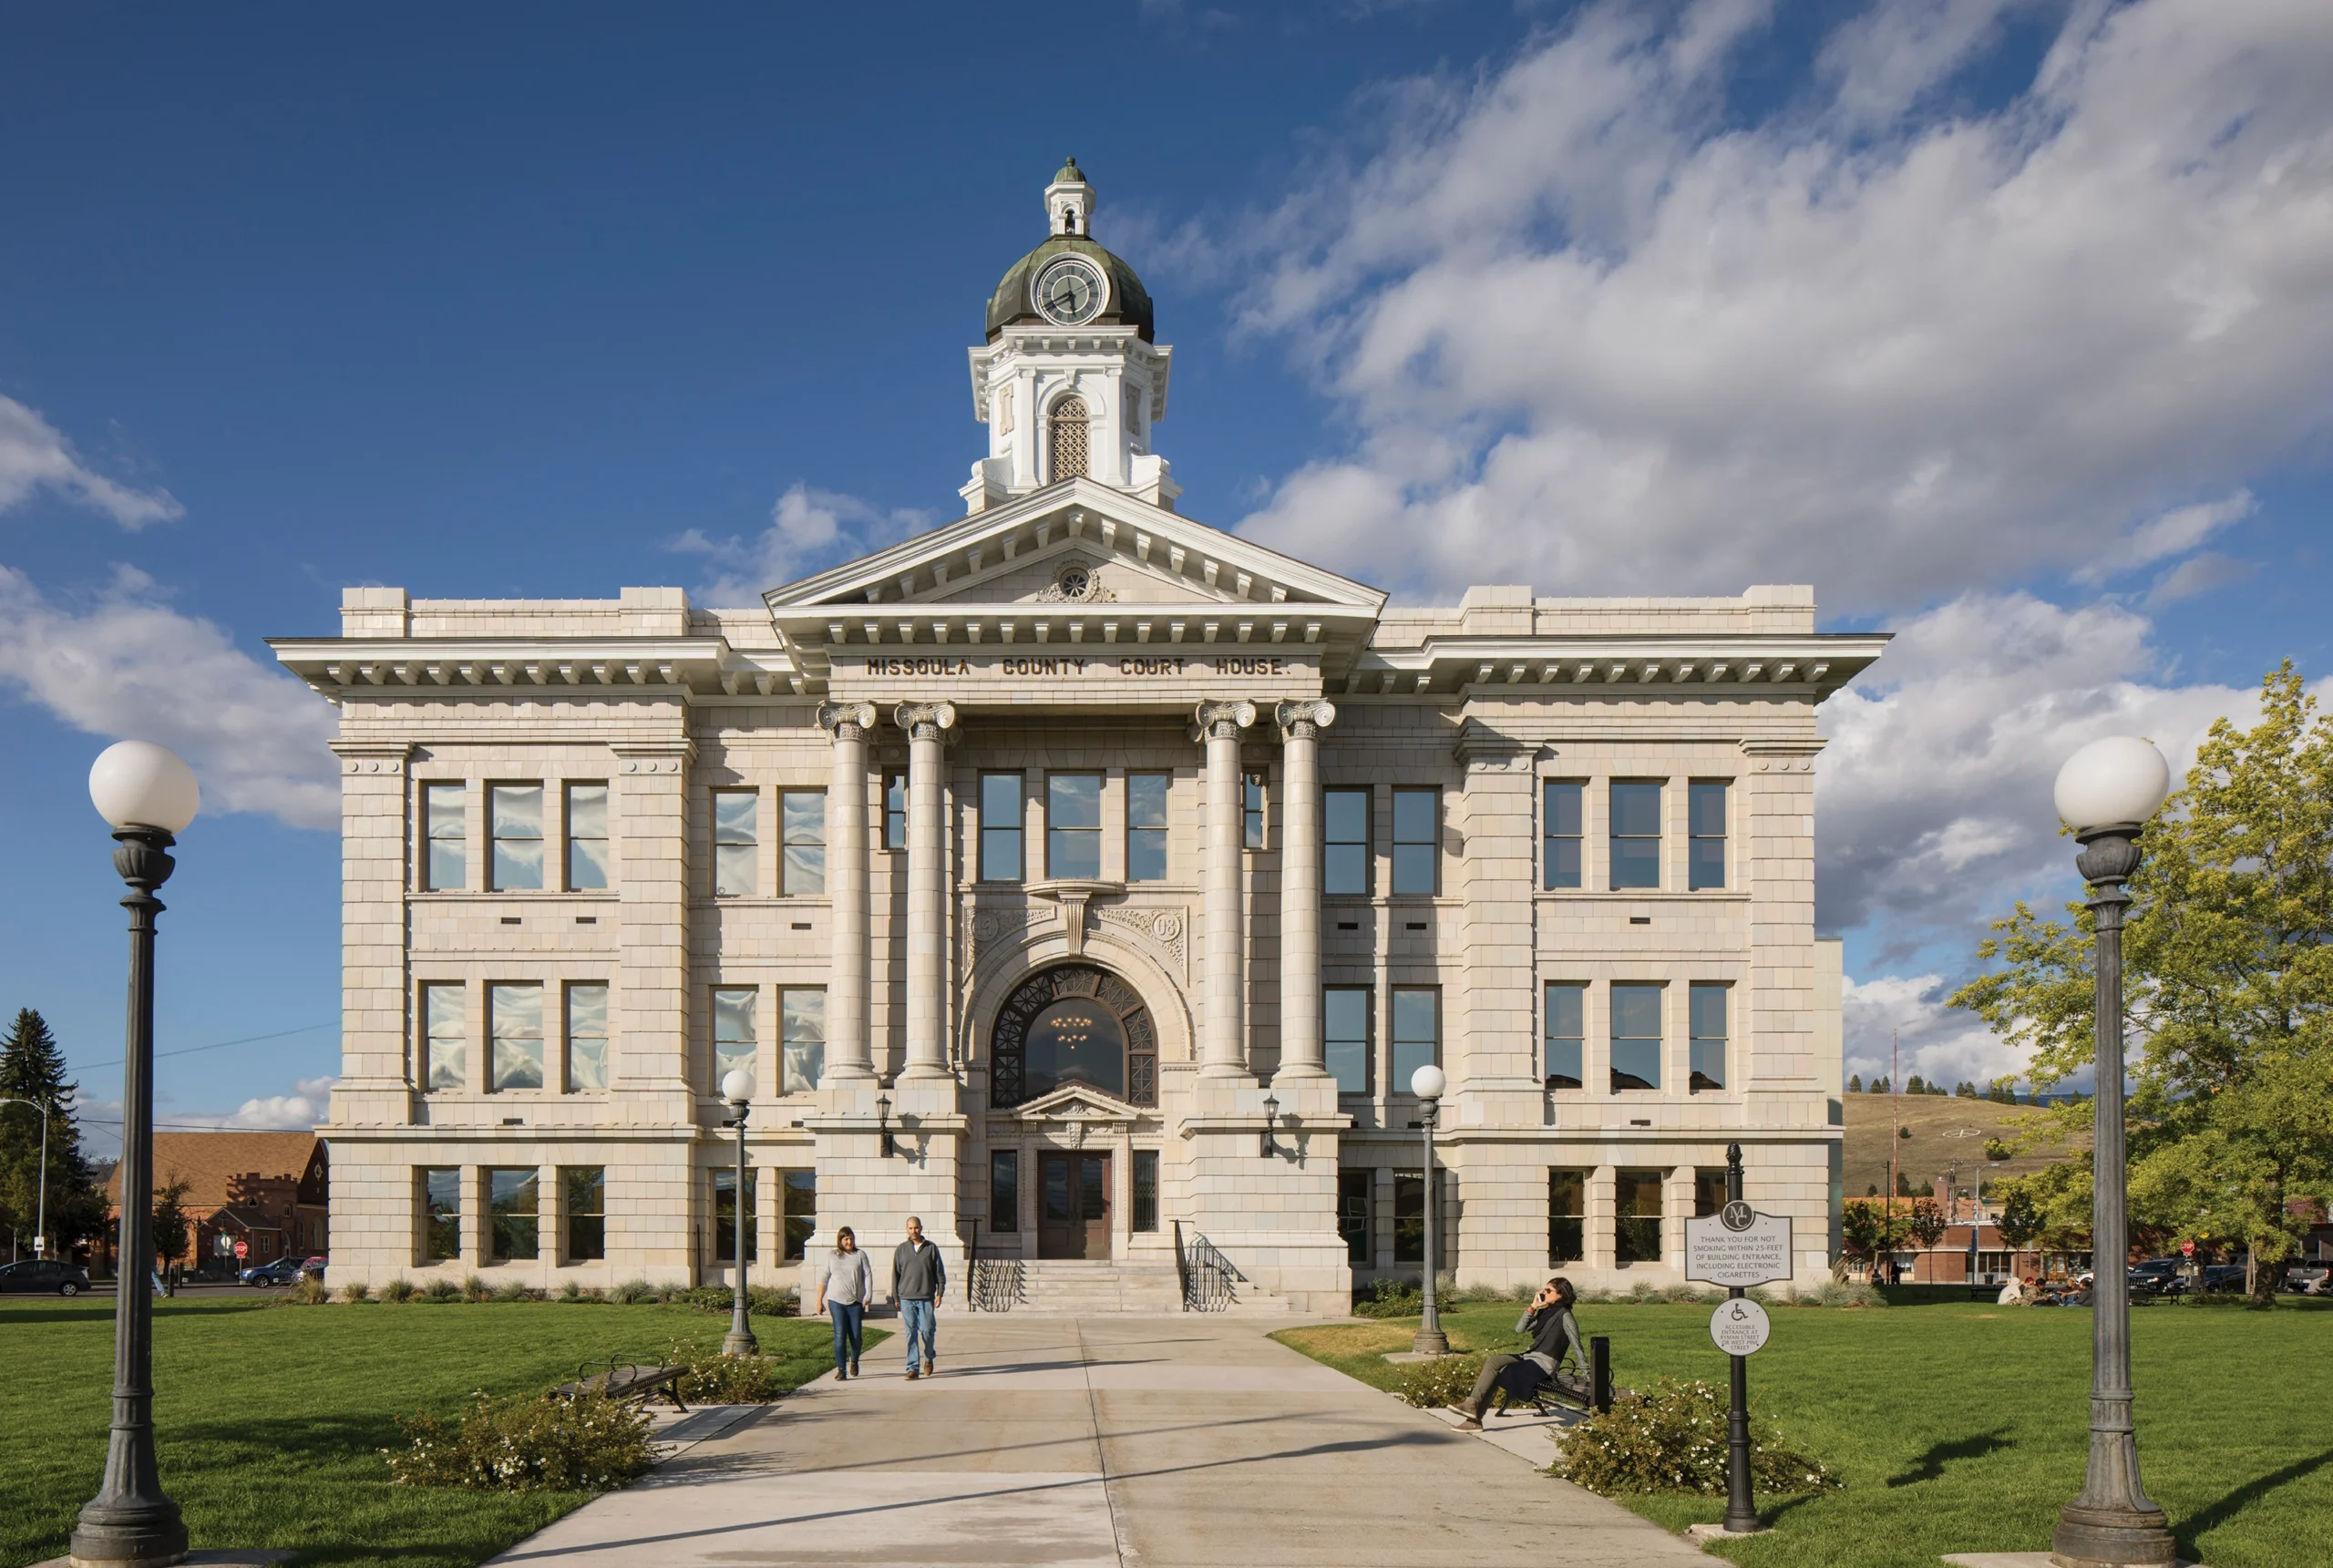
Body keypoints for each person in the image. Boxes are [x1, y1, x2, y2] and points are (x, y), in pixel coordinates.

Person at [1456, 1277, 1585, 1429]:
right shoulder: (1545, 1313)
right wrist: (1533, 1306)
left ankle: (1474, 1421)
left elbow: (1577, 1345)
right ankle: (1471, 1403)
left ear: (1560, 1295)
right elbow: (1520, 1329)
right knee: (1493, 1362)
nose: (1544, 1292)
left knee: (1501, 1372)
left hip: (1544, 1364)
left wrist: (1586, 1372)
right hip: (1530, 1357)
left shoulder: (1566, 1316)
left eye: (1549, 1291)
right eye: (1545, 1289)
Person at [813, 1225, 873, 1379]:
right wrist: (819, 1300)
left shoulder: (860, 1255)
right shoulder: (832, 1256)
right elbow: (824, 1278)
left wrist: (868, 1295)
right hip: (836, 1301)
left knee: (856, 1336)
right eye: (846, 1239)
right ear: (840, 1240)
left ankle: (854, 1361)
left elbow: (868, 1275)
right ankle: (841, 1369)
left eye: (851, 1239)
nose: (849, 1242)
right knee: (840, 1334)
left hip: (855, 1301)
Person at [892, 1215, 947, 1380]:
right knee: (911, 1333)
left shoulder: (931, 1248)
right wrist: (896, 1296)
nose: (913, 1231)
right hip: (906, 1297)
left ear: (921, 1228)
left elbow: (939, 1273)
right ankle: (912, 1368)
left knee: (928, 1330)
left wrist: (940, 1293)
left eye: (916, 1228)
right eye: (910, 1228)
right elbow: (896, 1274)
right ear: (906, 1229)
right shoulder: (901, 1249)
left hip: (925, 1297)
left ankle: (929, 1357)